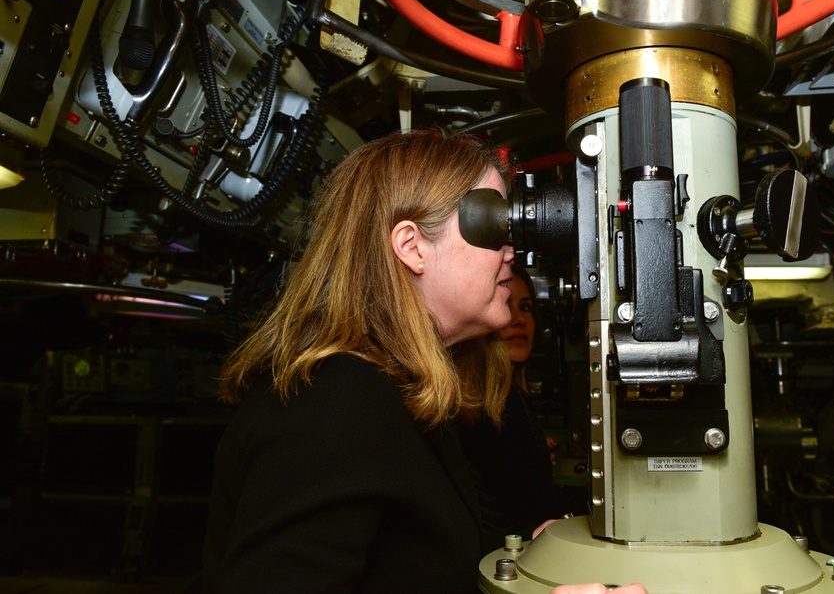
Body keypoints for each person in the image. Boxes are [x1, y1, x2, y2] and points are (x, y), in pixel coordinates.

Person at [199, 127, 646, 594]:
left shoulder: (405, 393)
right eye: (493, 225)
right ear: (412, 247)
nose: (512, 252)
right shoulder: (333, 404)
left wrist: (518, 548)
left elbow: (410, 560)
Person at [460, 265, 563, 547]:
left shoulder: (505, 397)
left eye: (526, 307)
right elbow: (536, 516)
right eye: (505, 303)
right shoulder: (496, 401)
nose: (518, 319)